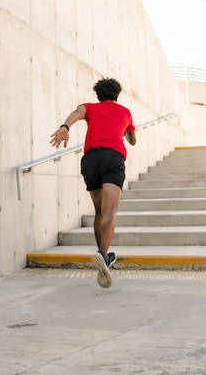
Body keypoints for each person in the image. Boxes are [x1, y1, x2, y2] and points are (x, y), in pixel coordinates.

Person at [50, 77, 136, 288]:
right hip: (112, 158)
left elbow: (77, 112)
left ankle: (103, 259)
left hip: (90, 160)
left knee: (98, 211)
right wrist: (126, 131)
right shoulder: (124, 112)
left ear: (98, 95)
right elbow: (132, 140)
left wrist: (65, 126)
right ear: (117, 95)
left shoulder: (91, 108)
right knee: (110, 212)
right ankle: (103, 254)